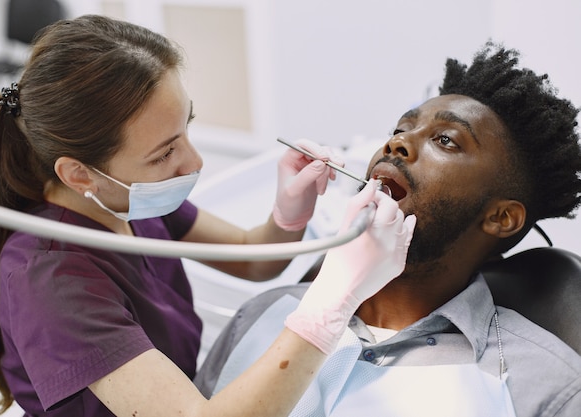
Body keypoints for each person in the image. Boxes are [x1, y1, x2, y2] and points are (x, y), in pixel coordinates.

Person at [0, 14, 417, 417]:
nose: (194, 162)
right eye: (165, 153)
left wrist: (288, 213)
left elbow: (252, 258)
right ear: (80, 174)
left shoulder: (125, 202)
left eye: (186, 129)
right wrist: (333, 300)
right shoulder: (51, 280)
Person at [194, 41, 581, 416]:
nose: (398, 143)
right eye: (401, 127)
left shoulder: (546, 387)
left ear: (501, 217)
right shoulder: (264, 314)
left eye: (445, 140)